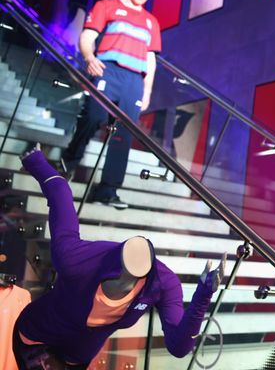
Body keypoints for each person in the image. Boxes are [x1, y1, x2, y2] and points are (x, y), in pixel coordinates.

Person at [13, 146, 225, 369]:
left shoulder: (164, 283)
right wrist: (36, 161)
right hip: (37, 338)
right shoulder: (77, 260)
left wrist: (203, 295)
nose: (127, 276)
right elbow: (60, 194)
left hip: (76, 358)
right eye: (124, 270)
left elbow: (178, 347)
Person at [59, 0, 161, 209]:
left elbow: (151, 60)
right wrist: (89, 57)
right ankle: (67, 164)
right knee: (93, 117)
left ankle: (107, 190)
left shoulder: (152, 21)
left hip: (134, 80)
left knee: (123, 134)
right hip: (108, 70)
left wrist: (147, 90)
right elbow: (87, 36)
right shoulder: (107, 6)